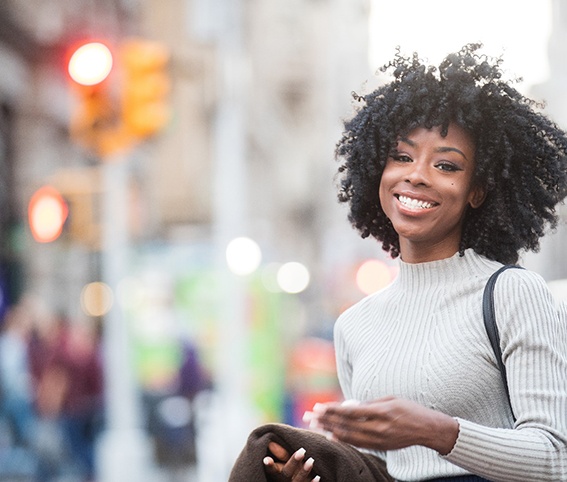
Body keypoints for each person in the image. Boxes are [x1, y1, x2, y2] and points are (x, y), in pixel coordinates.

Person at [229, 43, 567, 481]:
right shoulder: (355, 325)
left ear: (477, 191)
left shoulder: (512, 293)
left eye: (446, 165)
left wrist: (437, 432)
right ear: (376, 171)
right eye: (402, 157)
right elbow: (376, 472)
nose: (417, 174)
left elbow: (555, 458)